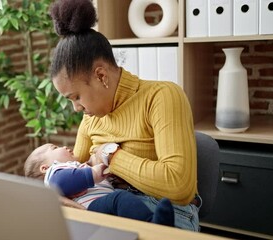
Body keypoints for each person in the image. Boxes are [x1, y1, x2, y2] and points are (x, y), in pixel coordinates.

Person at [48, 0, 200, 231]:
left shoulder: (161, 96)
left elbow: (179, 186)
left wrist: (111, 155)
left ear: (101, 76)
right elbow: (73, 171)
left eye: (76, 96)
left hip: (162, 209)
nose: (76, 108)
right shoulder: (92, 116)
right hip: (107, 207)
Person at [24, 143, 175, 227]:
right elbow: (61, 183)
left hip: (102, 206)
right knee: (119, 198)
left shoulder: (77, 168)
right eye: (55, 148)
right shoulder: (54, 174)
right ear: (45, 168)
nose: (64, 147)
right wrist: (93, 174)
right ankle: (153, 224)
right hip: (92, 209)